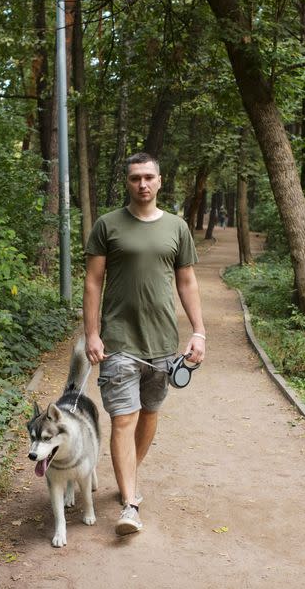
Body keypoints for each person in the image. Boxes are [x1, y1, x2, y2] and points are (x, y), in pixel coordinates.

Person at [83, 152, 206, 536]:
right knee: (123, 419)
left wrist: (198, 331)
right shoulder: (108, 225)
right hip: (119, 340)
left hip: (163, 344)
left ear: (160, 180)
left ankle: (127, 479)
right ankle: (130, 504)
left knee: (150, 414)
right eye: (135, 177)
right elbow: (93, 282)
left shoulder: (176, 227)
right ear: (128, 182)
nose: (143, 184)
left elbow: (186, 282)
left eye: (149, 177)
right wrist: (91, 332)